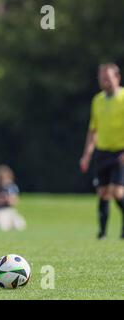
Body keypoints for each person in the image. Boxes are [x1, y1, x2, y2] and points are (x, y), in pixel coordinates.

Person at [80, 63, 124, 240]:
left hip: (120, 152)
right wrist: (87, 154)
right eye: (102, 78)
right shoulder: (97, 100)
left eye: (108, 77)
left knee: (117, 192)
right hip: (103, 152)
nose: (105, 81)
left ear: (117, 78)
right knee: (103, 192)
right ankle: (102, 233)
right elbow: (93, 130)